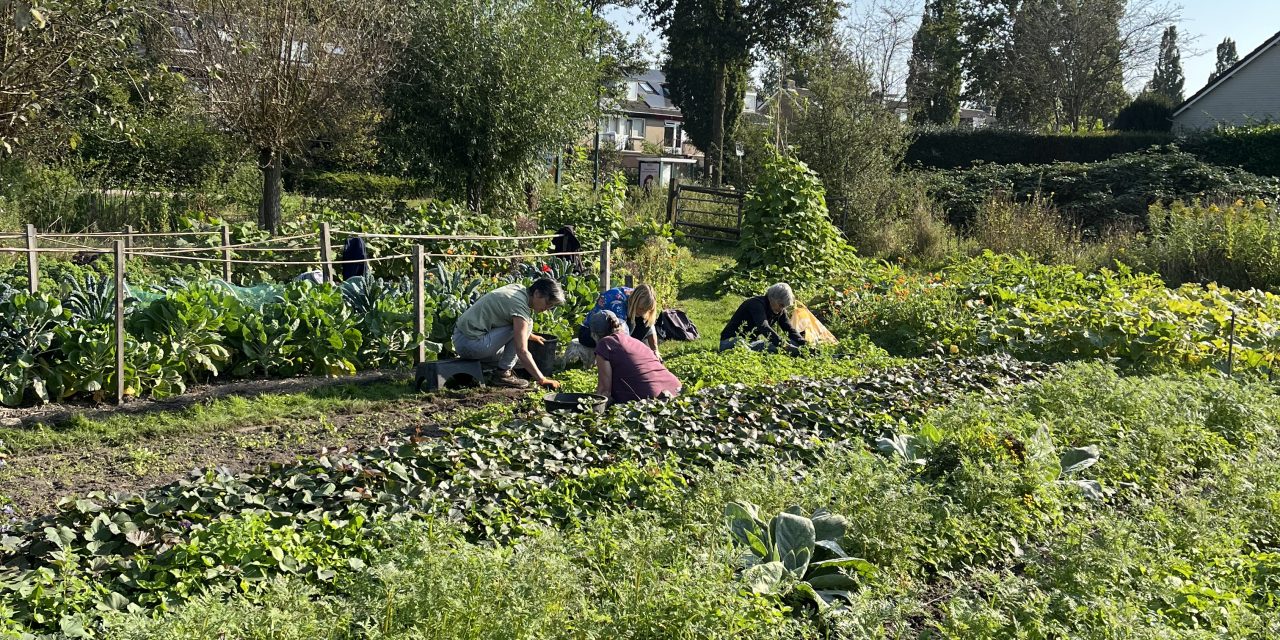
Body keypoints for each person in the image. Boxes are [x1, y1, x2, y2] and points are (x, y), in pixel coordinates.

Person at [452, 278, 565, 389]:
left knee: (520, 362)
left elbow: (501, 317)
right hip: (470, 344)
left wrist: (531, 336)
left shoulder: (518, 290)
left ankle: (479, 367)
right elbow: (521, 350)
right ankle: (503, 373)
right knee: (528, 324)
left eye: (551, 307)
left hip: (462, 338)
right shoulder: (520, 308)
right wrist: (542, 379)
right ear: (537, 293)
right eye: (547, 303)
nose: (547, 309)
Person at [591, 311, 680, 404]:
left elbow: (604, 392)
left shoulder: (604, 344)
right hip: (676, 390)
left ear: (594, 334)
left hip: (652, 399)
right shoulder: (634, 341)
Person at [720, 282, 805, 354]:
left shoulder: (780, 310)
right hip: (730, 341)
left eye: (784, 306)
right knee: (740, 343)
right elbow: (763, 327)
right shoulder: (756, 304)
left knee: (791, 343)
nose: (782, 309)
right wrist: (784, 345)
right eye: (781, 305)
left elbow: (789, 329)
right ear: (772, 298)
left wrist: (805, 344)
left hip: (752, 343)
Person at [578, 284, 660, 355]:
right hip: (588, 333)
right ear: (634, 301)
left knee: (644, 320)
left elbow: (650, 324)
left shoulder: (635, 296)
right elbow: (620, 334)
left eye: (646, 310)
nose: (643, 312)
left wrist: (655, 350)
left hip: (612, 328)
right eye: (641, 309)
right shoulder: (618, 303)